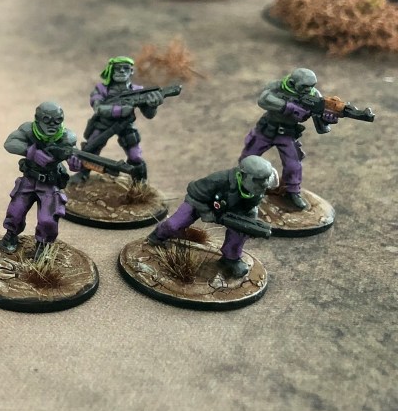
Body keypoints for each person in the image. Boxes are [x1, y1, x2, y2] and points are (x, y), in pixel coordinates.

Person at [148, 155, 277, 278]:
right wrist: (207, 213)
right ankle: (157, 236)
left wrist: (249, 227)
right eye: (259, 180)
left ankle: (231, 259)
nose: (265, 184)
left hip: (232, 213)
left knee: (239, 233)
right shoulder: (218, 180)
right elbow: (194, 192)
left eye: (266, 179)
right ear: (242, 175)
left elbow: (251, 208)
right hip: (200, 204)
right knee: (175, 224)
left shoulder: (260, 187)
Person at [239, 67, 337, 210]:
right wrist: (289, 107)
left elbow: (321, 127)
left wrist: (327, 119)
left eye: (311, 86)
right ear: (292, 82)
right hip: (266, 129)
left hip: (287, 134)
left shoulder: (315, 96)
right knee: (248, 158)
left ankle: (292, 192)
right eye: (304, 86)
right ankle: (241, 186)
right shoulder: (277, 86)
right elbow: (263, 99)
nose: (308, 89)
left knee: (293, 164)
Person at [0, 102, 80, 261]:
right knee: (16, 210)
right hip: (29, 180)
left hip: (50, 184)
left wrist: (75, 164)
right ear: (38, 119)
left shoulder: (67, 137)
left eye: (57, 120)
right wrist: (32, 152)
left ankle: (43, 245)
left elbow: (74, 159)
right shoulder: (28, 130)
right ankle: (10, 235)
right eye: (47, 120)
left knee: (47, 219)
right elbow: (10, 143)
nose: (52, 125)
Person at [77, 56, 169, 183]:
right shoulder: (101, 89)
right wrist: (120, 110)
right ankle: (82, 174)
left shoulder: (137, 91)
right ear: (111, 70)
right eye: (117, 68)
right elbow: (98, 108)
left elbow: (148, 115)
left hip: (125, 125)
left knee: (135, 156)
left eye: (125, 68)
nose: (121, 71)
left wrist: (152, 105)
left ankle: (140, 182)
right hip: (103, 124)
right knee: (90, 151)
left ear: (131, 71)